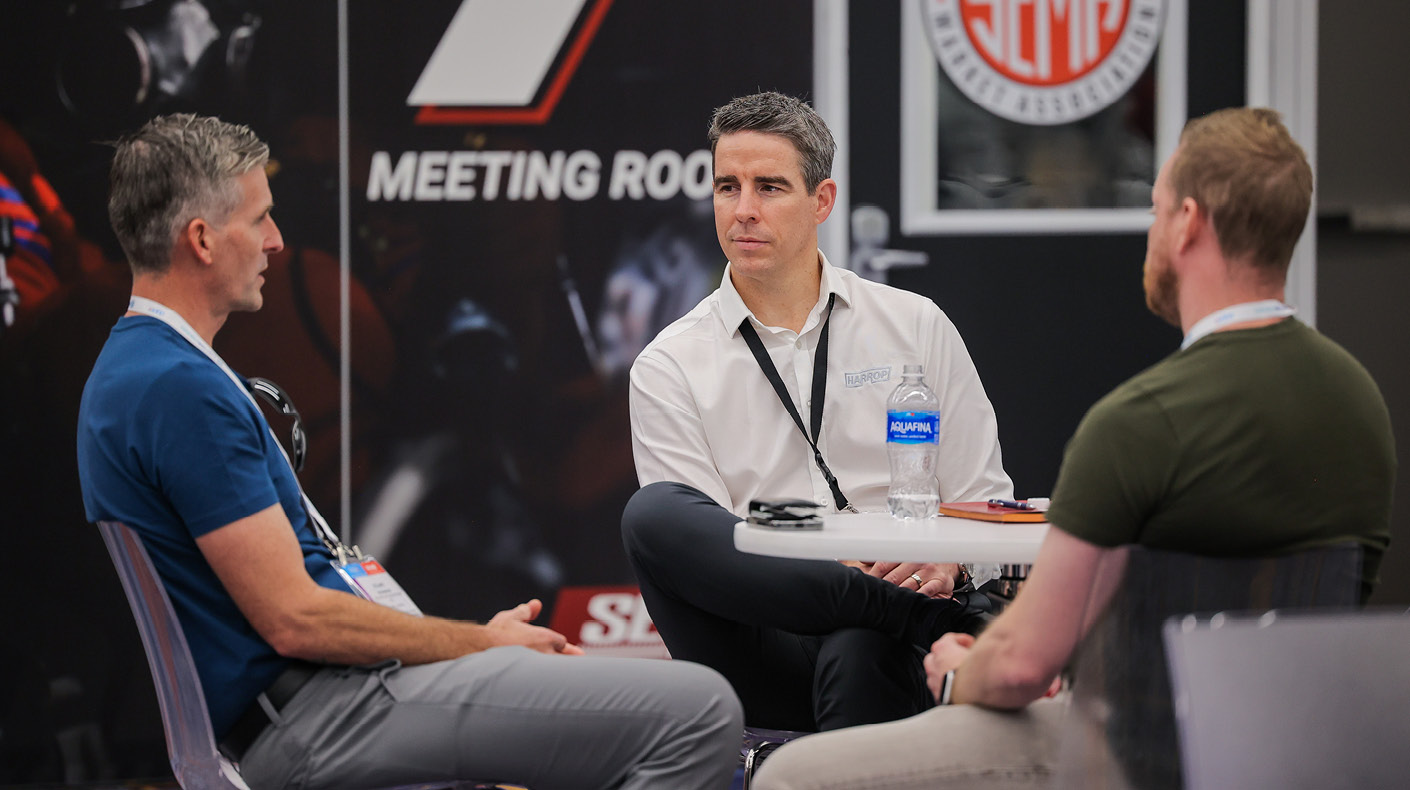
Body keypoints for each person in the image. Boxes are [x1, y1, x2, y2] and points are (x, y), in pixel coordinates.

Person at [77, 113, 742, 790]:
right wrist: (479, 643)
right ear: (202, 240)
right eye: (259, 220)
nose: (277, 241)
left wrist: (459, 647)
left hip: (336, 701)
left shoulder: (145, 369)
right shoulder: (176, 389)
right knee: (702, 712)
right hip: (327, 716)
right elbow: (294, 618)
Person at [750, 106, 1396, 789]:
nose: (1151, 234)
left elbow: (1027, 665)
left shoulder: (1141, 421)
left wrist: (960, 673)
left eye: (1154, 212)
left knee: (793, 774)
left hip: (1140, 751)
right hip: (1309, 748)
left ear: (1189, 222)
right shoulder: (1359, 400)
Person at [621, 91, 1014, 734]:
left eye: (770, 186)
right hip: (763, 639)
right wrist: (842, 574)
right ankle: (890, 609)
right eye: (728, 186)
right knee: (653, 515)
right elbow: (705, 559)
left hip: (900, 640)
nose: (744, 210)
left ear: (822, 201)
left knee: (862, 642)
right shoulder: (669, 363)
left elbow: (986, 504)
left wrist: (953, 562)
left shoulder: (914, 325)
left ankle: (891, 613)